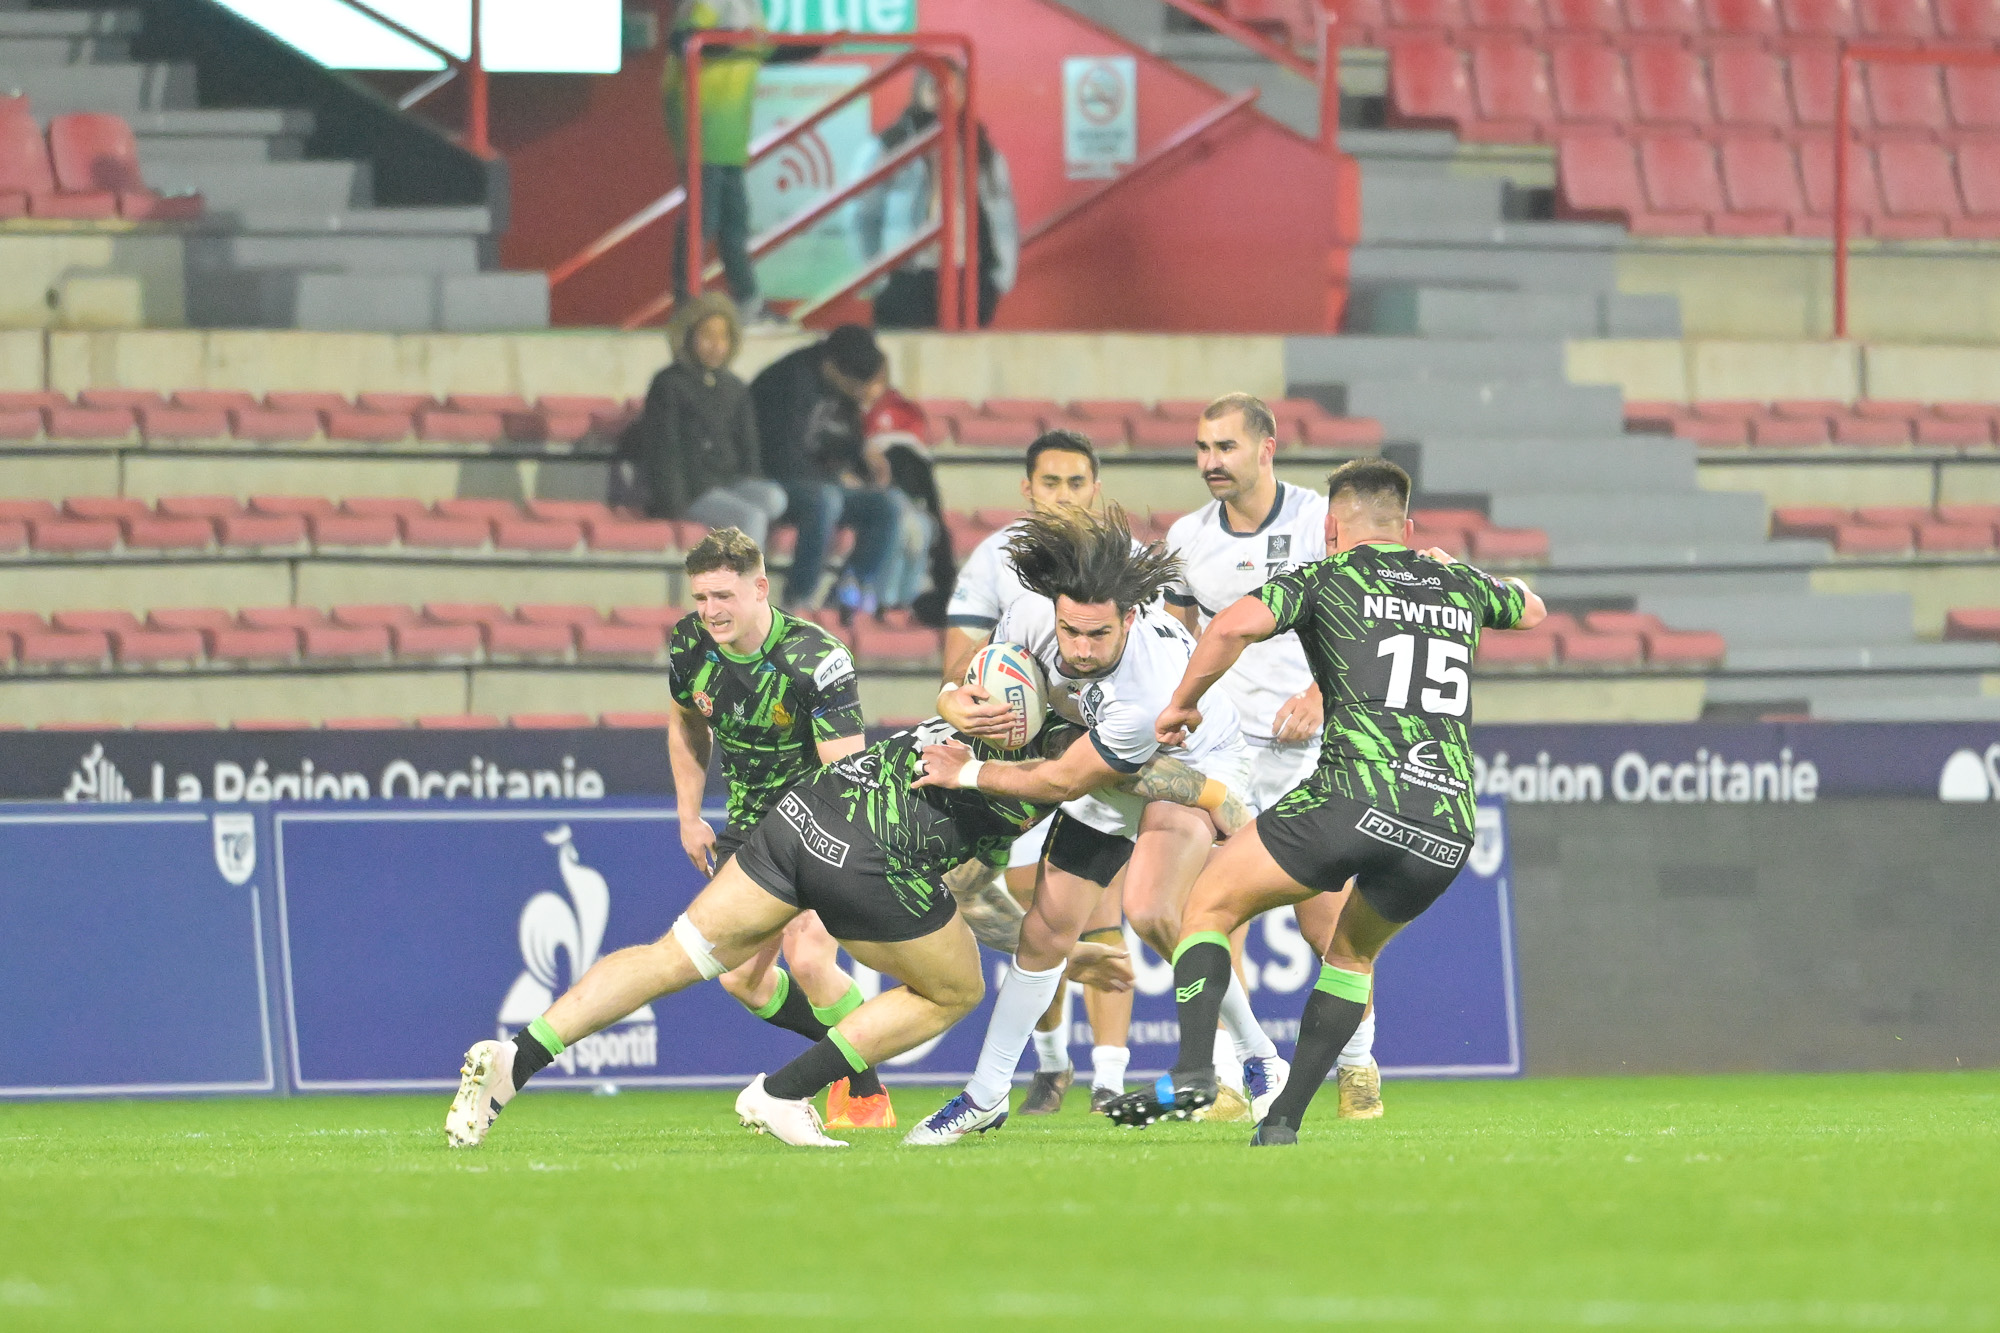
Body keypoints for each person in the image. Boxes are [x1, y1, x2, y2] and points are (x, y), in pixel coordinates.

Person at [444, 710, 1230, 1150]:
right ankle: (782, 1093)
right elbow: (1141, 774)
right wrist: (1220, 795)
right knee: (954, 990)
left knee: (672, 955)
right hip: (868, 857)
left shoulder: (988, 698)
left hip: (804, 813)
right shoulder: (1065, 748)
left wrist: (1062, 952)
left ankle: (518, 1057)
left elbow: (972, 898)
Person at [1104, 459, 1548, 1143]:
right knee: (1350, 957)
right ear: (1408, 527)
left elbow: (1229, 627)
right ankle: (1284, 1119)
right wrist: (1459, 569)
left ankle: (1195, 1070)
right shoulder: (1458, 583)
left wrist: (1183, 704)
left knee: (1207, 906)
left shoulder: (1326, 576)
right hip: (1445, 822)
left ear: (1331, 527)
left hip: (1353, 796)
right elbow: (1533, 607)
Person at [903, 506, 1278, 1147]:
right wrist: (951, 699)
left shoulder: (1147, 689)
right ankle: (985, 1095)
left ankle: (1258, 1058)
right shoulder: (1030, 616)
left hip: (1193, 763)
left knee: (1152, 909)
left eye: (1097, 635)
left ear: (1130, 618)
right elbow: (977, 679)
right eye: (1070, 630)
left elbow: (1061, 781)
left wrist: (967, 772)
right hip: (1097, 758)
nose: (1079, 649)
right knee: (1045, 931)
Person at [1161, 393, 1384, 1121]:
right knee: (1218, 913)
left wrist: (1322, 692)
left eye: (1225, 446)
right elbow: (1179, 640)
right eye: (1202, 447)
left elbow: (1366, 620)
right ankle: (1233, 1077)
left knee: (1327, 925)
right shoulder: (1186, 538)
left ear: (1267, 448)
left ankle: (1358, 1066)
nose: (1210, 461)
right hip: (1227, 757)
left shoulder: (1320, 521)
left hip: (1307, 752)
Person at [658, 527, 888, 1128]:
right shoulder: (688, 644)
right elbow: (687, 722)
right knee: (739, 978)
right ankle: (846, 1060)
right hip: (749, 828)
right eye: (701, 597)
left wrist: (841, 862)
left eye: (724, 596)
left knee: (808, 958)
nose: (710, 611)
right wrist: (688, 815)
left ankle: (867, 1095)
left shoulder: (816, 658)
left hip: (818, 822)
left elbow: (847, 774)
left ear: (760, 588)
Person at [942, 431, 1134, 1114]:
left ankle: (1110, 1077)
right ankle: (1052, 1064)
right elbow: (960, 663)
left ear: (1095, 487)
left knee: (1100, 910)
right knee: (1035, 910)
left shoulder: (1124, 561)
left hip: (1105, 751)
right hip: (1025, 755)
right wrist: (983, 699)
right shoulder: (996, 560)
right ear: (1028, 489)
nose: (1063, 495)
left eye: (1076, 482)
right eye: (1050, 482)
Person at [748, 325, 907, 609]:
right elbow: (783, 458)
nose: (858, 394)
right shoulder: (788, 382)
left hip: (821, 482)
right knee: (827, 499)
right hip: (773, 479)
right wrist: (834, 477)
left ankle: (849, 593)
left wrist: (863, 459)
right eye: (854, 386)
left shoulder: (844, 388)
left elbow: (842, 440)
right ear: (832, 368)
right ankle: (799, 598)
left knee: (889, 506)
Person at [849, 70, 1019, 329]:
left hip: (969, 272)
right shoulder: (890, 145)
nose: (945, 96)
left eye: (955, 89)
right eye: (935, 87)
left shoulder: (981, 147)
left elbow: (1001, 215)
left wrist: (1001, 275)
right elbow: (863, 214)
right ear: (918, 91)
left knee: (963, 352)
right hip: (907, 275)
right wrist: (873, 275)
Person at [616, 293, 787, 542]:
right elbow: (665, 449)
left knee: (775, 498)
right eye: (707, 336)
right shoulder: (669, 383)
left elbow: (749, 449)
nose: (716, 345)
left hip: (728, 484)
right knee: (752, 517)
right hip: (692, 491)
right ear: (689, 336)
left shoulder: (734, 387)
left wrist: (750, 480)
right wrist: (673, 504)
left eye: (723, 336)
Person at [662, 0, 779, 320]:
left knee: (734, 223)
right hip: (702, 121)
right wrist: (736, 40)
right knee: (703, 220)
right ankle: (687, 304)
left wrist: (818, 46)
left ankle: (748, 304)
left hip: (730, 132)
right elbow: (684, 40)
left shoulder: (752, 7)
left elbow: (766, 50)